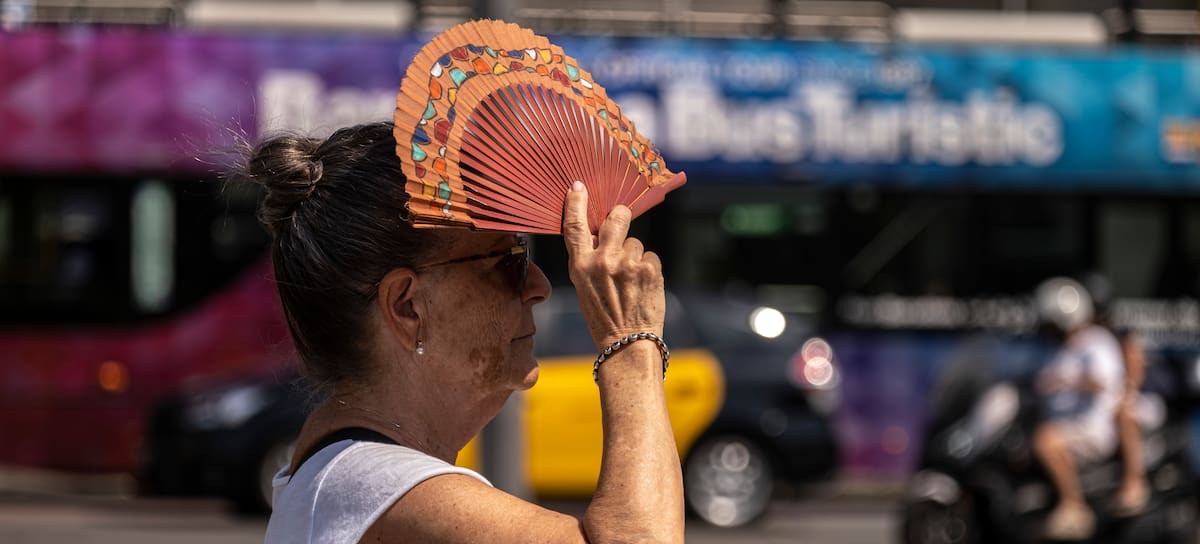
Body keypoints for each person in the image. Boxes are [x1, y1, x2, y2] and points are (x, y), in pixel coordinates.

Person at [243, 122, 684, 543]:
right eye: (506, 260)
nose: (539, 286)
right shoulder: (372, 480)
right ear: (407, 307)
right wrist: (632, 341)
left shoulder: (348, 474)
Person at [1032, 277, 1125, 541]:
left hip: (1091, 429)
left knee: (1045, 440)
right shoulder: (1054, 348)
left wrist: (1068, 381)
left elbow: (1100, 380)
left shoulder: (1095, 341)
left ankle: (1074, 508)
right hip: (1066, 428)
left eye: (1050, 322)